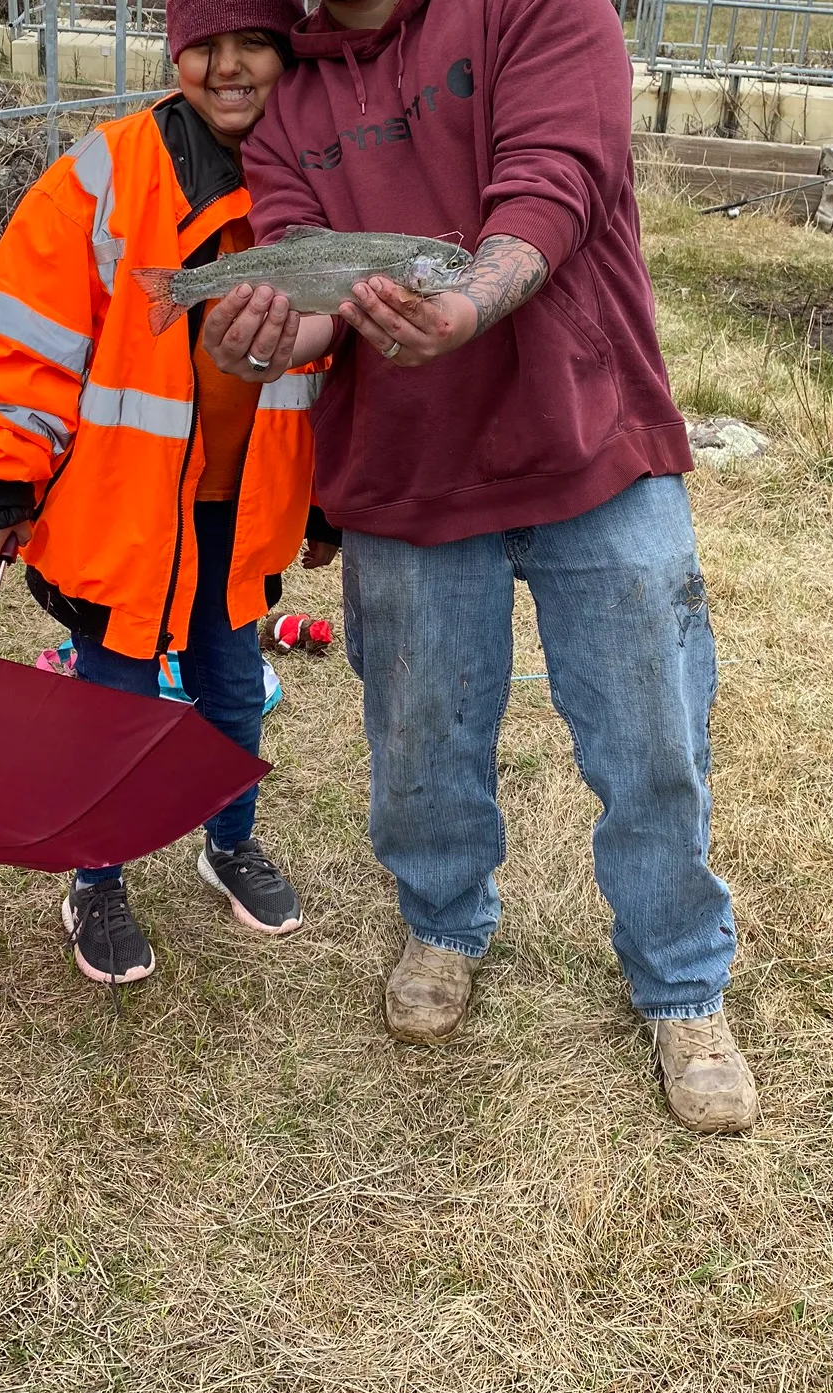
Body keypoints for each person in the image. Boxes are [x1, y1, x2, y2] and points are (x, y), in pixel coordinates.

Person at [201, 0, 759, 1131]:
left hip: (590, 439)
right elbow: (315, 306)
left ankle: (684, 982)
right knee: (419, 734)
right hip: (405, 471)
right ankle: (444, 924)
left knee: (650, 730)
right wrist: (261, 336)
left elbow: (556, 183)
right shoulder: (287, 92)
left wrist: (465, 302)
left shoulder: (540, 8)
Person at [0, 0, 339, 989]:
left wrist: (328, 500)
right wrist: (2, 481)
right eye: (207, 45)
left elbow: (343, 366)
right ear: (177, 52)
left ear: (288, 54)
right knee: (110, 714)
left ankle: (230, 842)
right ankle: (97, 881)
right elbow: (26, 340)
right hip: (118, 515)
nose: (231, 67)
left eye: (255, 43)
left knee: (234, 698)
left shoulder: (319, 181)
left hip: (236, 520)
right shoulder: (108, 171)